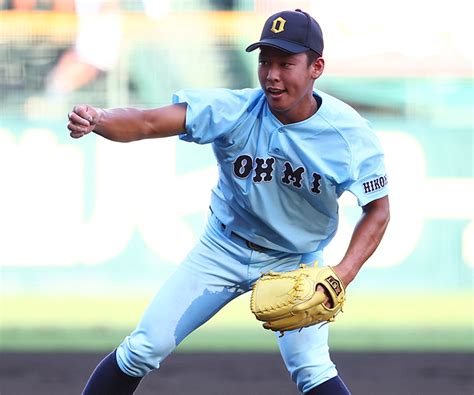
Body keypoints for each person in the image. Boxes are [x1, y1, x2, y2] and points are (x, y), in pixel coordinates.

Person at [68, 9, 390, 395]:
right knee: (143, 348)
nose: (272, 74)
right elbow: (147, 122)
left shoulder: (349, 135)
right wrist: (99, 118)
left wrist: (342, 274)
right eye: (265, 61)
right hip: (222, 249)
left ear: (316, 67)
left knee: (313, 369)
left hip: (295, 261)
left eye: (285, 63)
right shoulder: (233, 110)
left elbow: (378, 210)